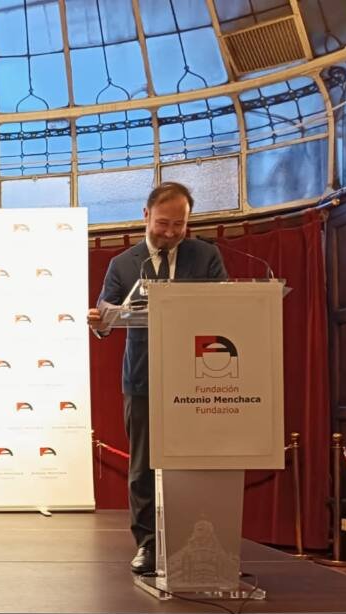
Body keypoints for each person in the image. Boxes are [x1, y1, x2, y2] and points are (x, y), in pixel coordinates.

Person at [88, 182, 227, 575]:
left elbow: (228, 307)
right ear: (146, 215)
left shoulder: (207, 256)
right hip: (143, 379)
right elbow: (105, 315)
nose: (170, 232)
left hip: (200, 378)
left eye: (179, 225)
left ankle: (198, 540)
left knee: (196, 465)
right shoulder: (123, 263)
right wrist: (99, 321)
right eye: (163, 223)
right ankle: (147, 545)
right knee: (143, 467)